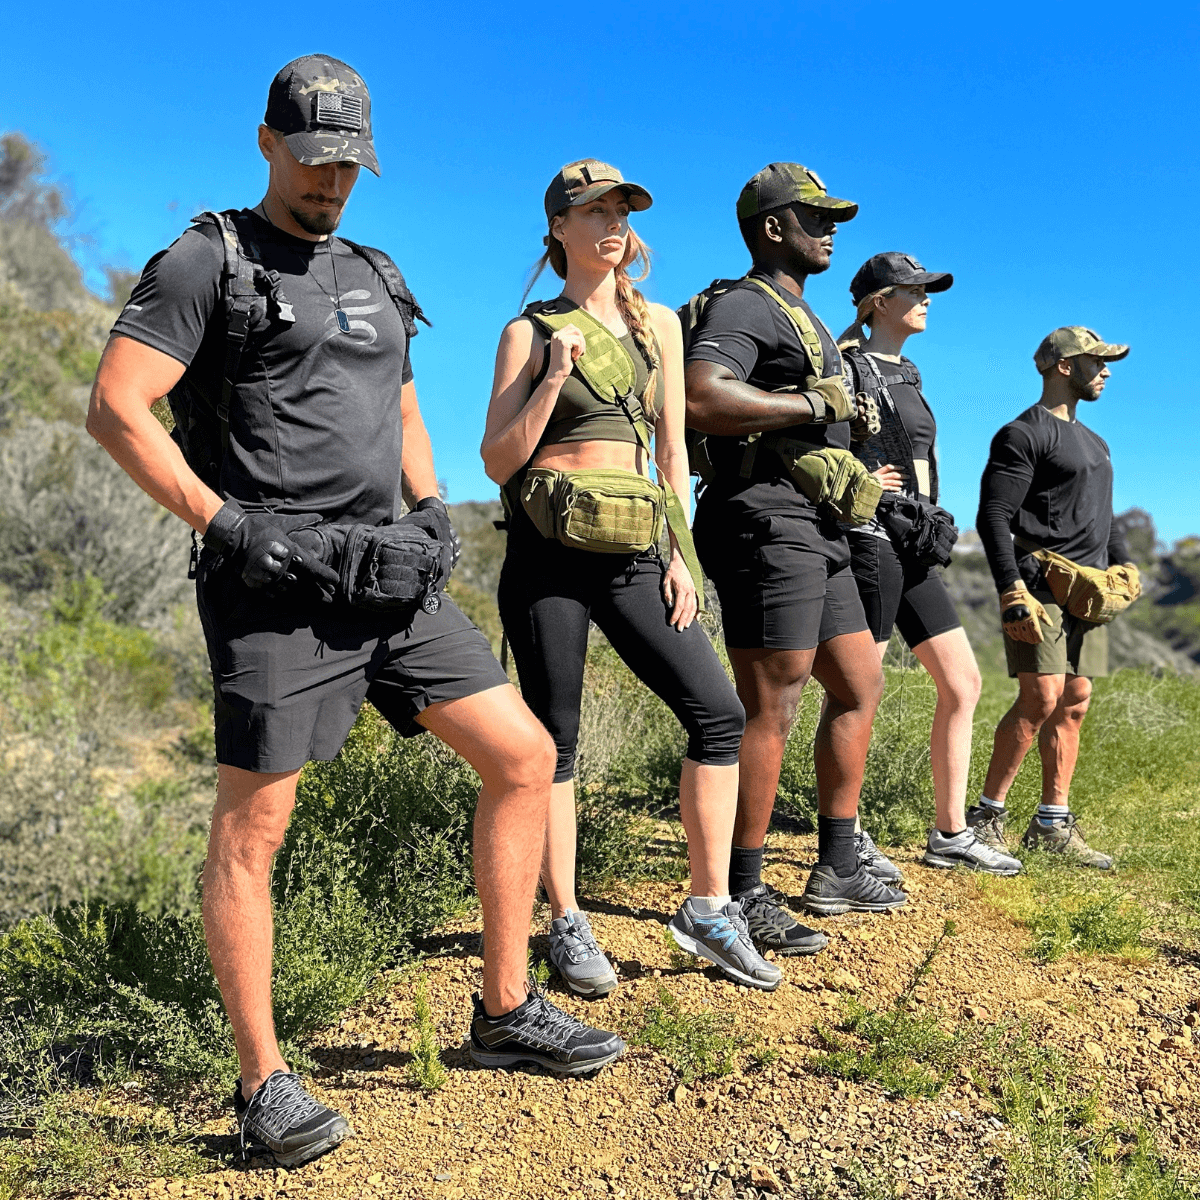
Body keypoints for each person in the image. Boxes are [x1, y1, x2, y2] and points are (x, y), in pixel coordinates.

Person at [86, 59, 624, 1169]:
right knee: (257, 825)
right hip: (274, 589)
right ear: (268, 142)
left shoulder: (375, 269)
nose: (334, 182)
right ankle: (263, 1084)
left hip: (390, 579)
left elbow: (406, 407)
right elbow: (117, 408)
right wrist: (225, 525)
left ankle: (506, 1009)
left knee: (523, 756)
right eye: (317, 158)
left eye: (351, 164)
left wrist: (430, 509)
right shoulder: (208, 260)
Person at [482, 160, 782, 996]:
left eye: (620, 209)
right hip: (547, 553)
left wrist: (681, 558)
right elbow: (499, 458)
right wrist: (550, 376)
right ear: (558, 230)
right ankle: (566, 921)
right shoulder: (529, 330)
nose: (611, 223)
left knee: (718, 713)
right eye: (592, 210)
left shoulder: (660, 328)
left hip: (638, 545)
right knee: (555, 743)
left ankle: (710, 908)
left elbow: (677, 456)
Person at [683, 162, 908, 956]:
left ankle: (838, 865)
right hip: (763, 520)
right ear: (772, 226)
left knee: (856, 680)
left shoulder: (804, 315)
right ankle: (739, 893)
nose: (831, 229)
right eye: (814, 216)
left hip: (820, 527)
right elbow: (703, 393)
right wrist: (814, 403)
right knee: (771, 703)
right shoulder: (747, 303)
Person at [839, 254, 1020, 876]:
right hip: (869, 534)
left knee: (963, 682)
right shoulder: (844, 361)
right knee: (859, 687)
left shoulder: (909, 371)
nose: (928, 300)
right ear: (877, 302)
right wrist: (859, 478)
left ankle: (950, 833)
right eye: (915, 290)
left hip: (912, 539)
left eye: (928, 290)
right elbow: (813, 439)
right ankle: (848, 834)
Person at [971, 327, 1141, 870]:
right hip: (1038, 584)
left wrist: (1124, 564)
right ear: (1064, 367)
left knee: (1074, 701)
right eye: (1098, 361)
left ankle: (1052, 824)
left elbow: (1103, 515)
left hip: (1087, 592)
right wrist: (1011, 589)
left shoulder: (1097, 444)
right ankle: (984, 819)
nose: (1107, 371)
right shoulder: (1023, 433)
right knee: (1040, 698)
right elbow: (993, 517)